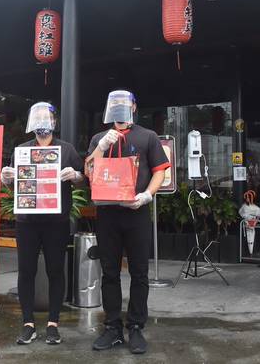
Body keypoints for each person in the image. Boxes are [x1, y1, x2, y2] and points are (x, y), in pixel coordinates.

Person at [87, 90, 170, 355]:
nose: (120, 108)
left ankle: (135, 326)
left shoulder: (148, 136)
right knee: (109, 272)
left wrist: (147, 195)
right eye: (115, 104)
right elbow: (89, 170)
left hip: (137, 212)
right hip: (107, 213)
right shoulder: (99, 138)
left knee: (139, 272)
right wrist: (101, 147)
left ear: (134, 106)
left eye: (125, 103)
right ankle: (112, 327)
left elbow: (160, 171)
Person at [0, 102, 84, 345]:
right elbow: (15, 185)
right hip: (27, 221)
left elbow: (83, 179)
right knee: (26, 270)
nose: (42, 123)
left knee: (55, 270)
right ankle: (28, 323)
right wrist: (6, 178)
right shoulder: (22, 150)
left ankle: (53, 324)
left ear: (54, 122)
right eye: (37, 118)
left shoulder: (66, 150)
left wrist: (75, 175)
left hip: (56, 221)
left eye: (46, 118)